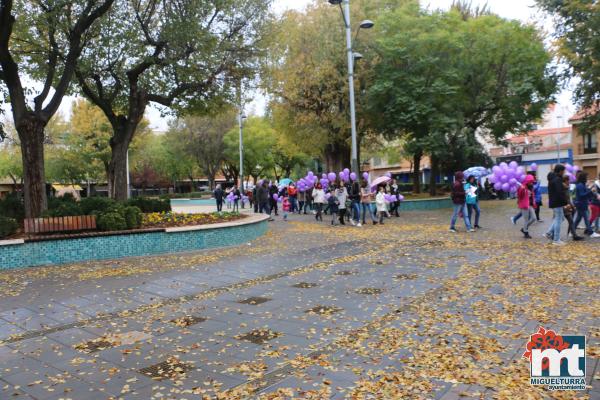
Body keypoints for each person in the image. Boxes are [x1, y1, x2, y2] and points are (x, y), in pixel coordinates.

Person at [545, 164, 568, 245]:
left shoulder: (553, 179)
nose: (564, 172)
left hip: (554, 202)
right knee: (558, 219)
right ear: (560, 171)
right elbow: (559, 192)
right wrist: (565, 202)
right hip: (557, 202)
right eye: (563, 171)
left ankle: (549, 233)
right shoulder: (557, 179)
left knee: (561, 218)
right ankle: (556, 239)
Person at [573, 172, 600, 237]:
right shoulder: (580, 185)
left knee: (578, 219)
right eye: (586, 177)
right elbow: (582, 195)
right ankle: (590, 232)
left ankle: (572, 230)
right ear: (583, 178)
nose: (587, 179)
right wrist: (591, 191)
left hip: (582, 204)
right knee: (586, 219)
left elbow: (586, 193)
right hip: (581, 204)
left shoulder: (582, 185)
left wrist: (591, 190)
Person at [563, 174, 583, 241]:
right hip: (565, 207)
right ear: (565, 180)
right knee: (558, 221)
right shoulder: (565, 187)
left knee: (570, 221)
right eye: (568, 180)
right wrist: (572, 206)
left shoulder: (566, 187)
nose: (570, 182)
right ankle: (550, 233)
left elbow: (569, 198)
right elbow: (567, 199)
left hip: (567, 206)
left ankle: (574, 235)